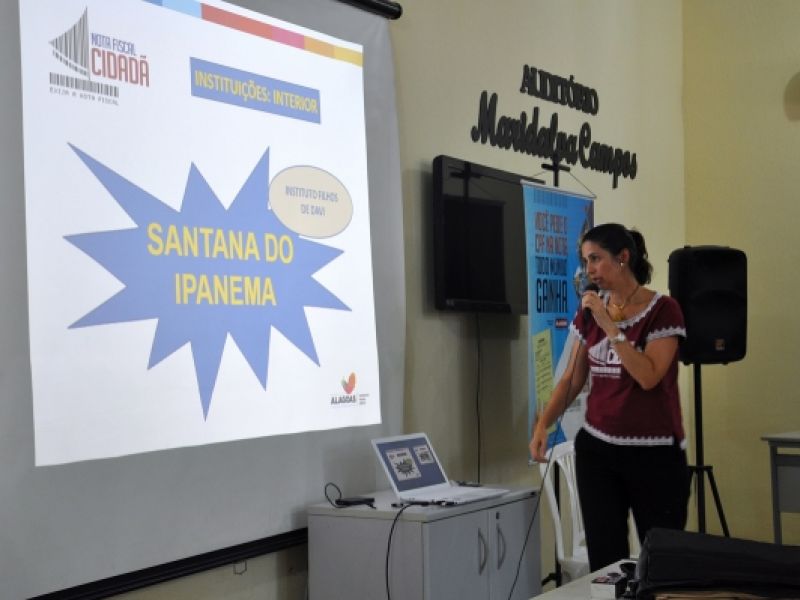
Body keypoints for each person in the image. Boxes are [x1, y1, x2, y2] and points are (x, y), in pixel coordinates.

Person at [529, 223, 690, 571]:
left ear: (623, 258)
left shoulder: (664, 310)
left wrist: (609, 326)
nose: (589, 270)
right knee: (606, 564)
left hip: (654, 454)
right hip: (598, 452)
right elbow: (572, 379)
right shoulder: (590, 311)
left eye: (596, 259)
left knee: (663, 561)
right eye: (585, 261)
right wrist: (543, 424)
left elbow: (648, 376)